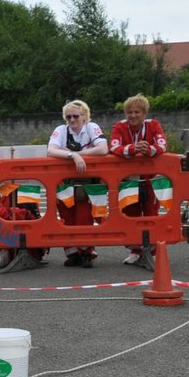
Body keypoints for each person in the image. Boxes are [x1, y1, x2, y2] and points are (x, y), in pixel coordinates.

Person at [48, 99, 110, 268]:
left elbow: (103, 148)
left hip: (88, 182)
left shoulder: (91, 127)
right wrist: (72, 156)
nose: (72, 120)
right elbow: (51, 150)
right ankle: (72, 253)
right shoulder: (61, 130)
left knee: (84, 217)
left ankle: (86, 253)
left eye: (76, 116)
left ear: (84, 116)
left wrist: (80, 153)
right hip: (66, 183)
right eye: (68, 117)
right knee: (66, 217)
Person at [109, 93, 169, 265]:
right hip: (128, 180)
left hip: (151, 179)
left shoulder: (153, 125)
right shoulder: (119, 126)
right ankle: (135, 250)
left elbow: (163, 144)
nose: (133, 116)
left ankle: (154, 250)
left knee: (151, 213)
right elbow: (113, 147)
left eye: (137, 112)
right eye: (130, 112)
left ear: (144, 113)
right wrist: (133, 149)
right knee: (131, 214)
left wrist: (148, 150)